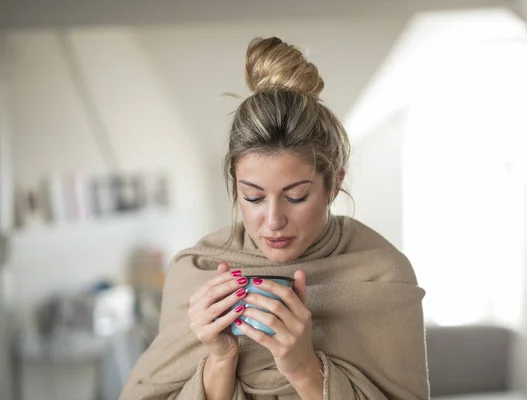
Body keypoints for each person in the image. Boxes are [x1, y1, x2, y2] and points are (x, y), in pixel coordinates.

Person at [120, 36, 429, 400]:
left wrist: (303, 367)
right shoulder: (195, 272)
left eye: (296, 196)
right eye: (252, 196)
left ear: (334, 185)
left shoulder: (381, 278)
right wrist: (220, 359)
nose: (273, 220)